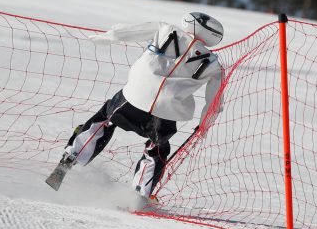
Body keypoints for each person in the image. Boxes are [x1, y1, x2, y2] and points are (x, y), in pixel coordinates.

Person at [59, 12, 224, 199]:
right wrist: (204, 125)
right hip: (167, 112)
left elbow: (130, 31)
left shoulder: (166, 29)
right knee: (158, 148)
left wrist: (109, 36)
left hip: (134, 97)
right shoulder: (214, 64)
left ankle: (72, 156)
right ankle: (139, 195)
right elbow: (215, 102)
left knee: (105, 119)